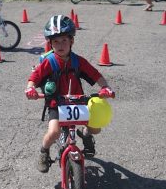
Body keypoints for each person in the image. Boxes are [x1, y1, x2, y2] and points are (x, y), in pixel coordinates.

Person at [25, 15, 115, 173]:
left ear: (71, 41)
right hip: (56, 103)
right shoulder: (49, 62)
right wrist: (30, 88)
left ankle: (85, 133)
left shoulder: (78, 61)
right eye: (55, 41)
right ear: (50, 43)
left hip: (77, 101)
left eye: (64, 40)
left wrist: (105, 87)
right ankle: (44, 152)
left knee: (95, 128)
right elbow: (34, 77)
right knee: (54, 132)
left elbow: (96, 75)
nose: (60, 45)